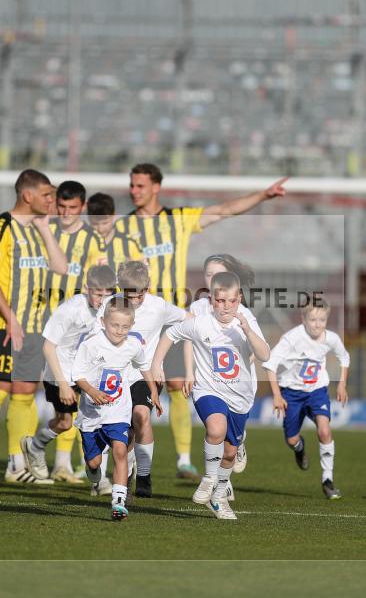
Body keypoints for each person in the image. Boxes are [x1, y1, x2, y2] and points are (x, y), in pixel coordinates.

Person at [116, 163, 286, 480]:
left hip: (173, 317)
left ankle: (182, 459)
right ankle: (131, 452)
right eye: (132, 185)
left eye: (140, 185)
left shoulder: (177, 220)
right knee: (131, 390)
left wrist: (262, 195)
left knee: (179, 385)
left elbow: (223, 210)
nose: (134, 190)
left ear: (156, 187)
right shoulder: (122, 227)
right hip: (137, 318)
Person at [151, 272, 270, 520]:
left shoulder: (246, 320)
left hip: (240, 396)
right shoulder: (201, 322)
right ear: (212, 300)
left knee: (229, 453)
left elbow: (265, 354)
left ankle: (218, 497)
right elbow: (170, 335)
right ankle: (208, 478)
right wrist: (156, 365)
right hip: (209, 389)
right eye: (220, 301)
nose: (225, 307)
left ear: (239, 300)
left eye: (231, 301)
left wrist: (248, 332)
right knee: (216, 429)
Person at [0, 169, 67, 484]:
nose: (52, 201)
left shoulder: (39, 228)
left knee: (25, 393)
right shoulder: (0, 228)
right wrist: (8, 317)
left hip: (35, 327)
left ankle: (16, 465)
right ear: (27, 195)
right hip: (8, 324)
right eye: (47, 195)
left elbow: (61, 268)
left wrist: (45, 231)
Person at [30, 181, 104, 483]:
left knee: (84, 415)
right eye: (61, 206)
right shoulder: (43, 231)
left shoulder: (91, 240)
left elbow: (101, 275)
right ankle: (24, 455)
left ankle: (66, 465)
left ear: (82, 208)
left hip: (80, 335)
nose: (66, 213)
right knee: (59, 412)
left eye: (72, 208)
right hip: (46, 326)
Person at [22, 265, 117, 487]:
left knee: (98, 421)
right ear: (86, 288)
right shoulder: (70, 309)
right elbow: (48, 347)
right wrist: (63, 385)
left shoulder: (111, 308)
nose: (101, 300)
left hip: (89, 373)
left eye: (106, 294)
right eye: (97, 293)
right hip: (61, 372)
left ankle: (99, 479)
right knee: (65, 423)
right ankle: (34, 445)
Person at [93, 261, 182, 498]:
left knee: (141, 415)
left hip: (146, 376)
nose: (135, 300)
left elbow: (189, 322)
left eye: (140, 295)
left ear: (148, 288)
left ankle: (144, 475)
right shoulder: (109, 306)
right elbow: (95, 336)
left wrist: (159, 360)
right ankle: (126, 471)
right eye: (130, 294)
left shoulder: (158, 306)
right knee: (125, 433)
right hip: (115, 377)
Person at [71, 298, 156, 520]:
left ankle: (118, 501)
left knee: (120, 450)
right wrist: (92, 391)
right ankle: (92, 468)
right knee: (94, 462)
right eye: (114, 325)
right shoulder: (91, 344)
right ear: (103, 321)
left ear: (132, 325)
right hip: (92, 413)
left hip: (118, 409)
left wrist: (153, 390)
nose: (119, 331)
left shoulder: (133, 345)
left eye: (125, 327)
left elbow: (143, 366)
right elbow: (77, 375)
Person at [265, 303, 350, 499]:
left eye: (322, 320)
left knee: (324, 430)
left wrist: (341, 384)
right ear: (303, 319)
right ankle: (299, 448)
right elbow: (270, 365)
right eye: (312, 320)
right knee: (292, 439)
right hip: (291, 393)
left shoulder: (331, 339)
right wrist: (277, 395)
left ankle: (327, 480)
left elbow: (344, 358)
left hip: (316, 391)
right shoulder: (291, 339)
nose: (317, 325)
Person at [187, 254, 257, 475]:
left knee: (230, 441)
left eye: (217, 274)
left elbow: (257, 348)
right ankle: (215, 484)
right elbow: (188, 339)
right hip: (209, 382)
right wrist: (189, 372)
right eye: (208, 274)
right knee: (215, 429)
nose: (212, 278)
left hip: (238, 382)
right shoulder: (198, 307)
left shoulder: (240, 310)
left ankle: (238, 443)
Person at [86, 193, 143, 271]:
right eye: (95, 224)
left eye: (105, 223)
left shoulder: (129, 243)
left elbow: (143, 275)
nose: (100, 229)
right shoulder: (82, 241)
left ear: (113, 215)